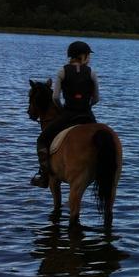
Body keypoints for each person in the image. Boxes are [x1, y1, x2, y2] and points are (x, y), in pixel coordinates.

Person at [30, 40, 100, 187]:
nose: (89, 58)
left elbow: (55, 97)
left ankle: (44, 176)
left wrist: (62, 109)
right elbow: (96, 99)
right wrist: (87, 106)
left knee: (42, 140)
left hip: (68, 115)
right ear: (82, 55)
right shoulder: (92, 72)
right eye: (88, 55)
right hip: (87, 115)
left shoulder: (62, 71)